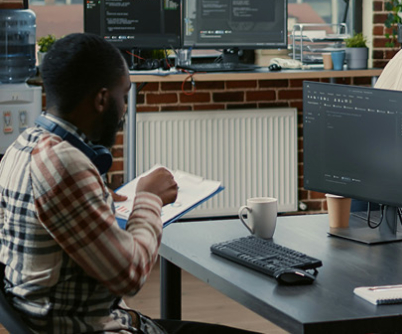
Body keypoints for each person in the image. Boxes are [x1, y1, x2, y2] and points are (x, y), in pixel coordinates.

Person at [0, 33, 254, 334]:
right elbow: (130, 275)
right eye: (123, 96)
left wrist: (97, 196)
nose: (124, 109)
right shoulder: (64, 164)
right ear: (101, 99)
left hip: (58, 316)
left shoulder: (22, 147)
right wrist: (149, 198)